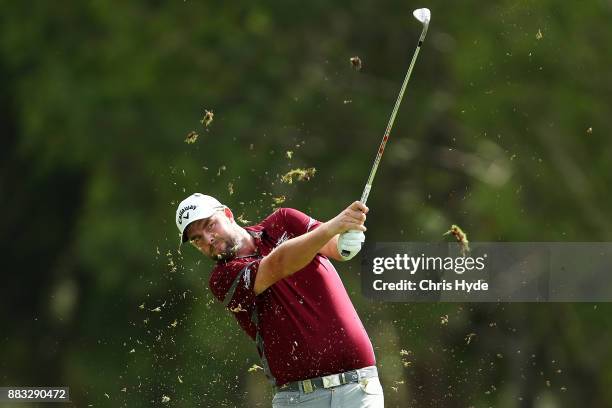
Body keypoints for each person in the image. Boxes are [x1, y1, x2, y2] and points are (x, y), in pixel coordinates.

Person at [175, 193, 384, 407]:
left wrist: (346, 240)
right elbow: (278, 264)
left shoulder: (284, 221)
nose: (208, 239)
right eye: (196, 239)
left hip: (360, 387)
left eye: (210, 225)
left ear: (228, 214)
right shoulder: (222, 278)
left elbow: (334, 246)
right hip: (300, 398)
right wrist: (333, 227)